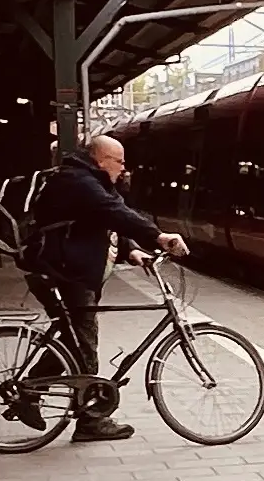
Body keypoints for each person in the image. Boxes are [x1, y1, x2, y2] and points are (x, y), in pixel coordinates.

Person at [22, 134, 184, 442]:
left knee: (73, 342)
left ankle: (30, 394)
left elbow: (105, 219)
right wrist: (158, 237)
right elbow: (111, 211)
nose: (124, 169)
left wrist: (132, 249)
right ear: (101, 160)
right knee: (84, 347)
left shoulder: (87, 179)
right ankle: (89, 422)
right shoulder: (78, 181)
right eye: (119, 162)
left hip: (68, 272)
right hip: (65, 273)